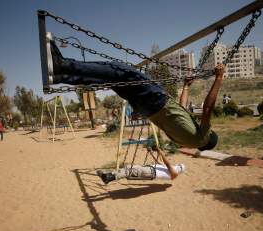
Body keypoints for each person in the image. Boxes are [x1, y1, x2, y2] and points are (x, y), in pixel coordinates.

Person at [45, 38, 224, 150]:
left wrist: (219, 78)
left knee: (121, 71)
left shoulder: (202, 137)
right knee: (112, 80)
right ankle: (61, 76)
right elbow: (181, 110)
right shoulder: (185, 141)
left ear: (208, 138)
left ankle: (64, 65)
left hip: (157, 100)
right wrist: (186, 87)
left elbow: (207, 109)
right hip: (147, 109)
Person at [97, 148, 185, 184]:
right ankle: (110, 175)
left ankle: (109, 177)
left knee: (129, 171)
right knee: (128, 168)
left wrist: (160, 151)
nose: (178, 166)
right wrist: (151, 153)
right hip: (149, 169)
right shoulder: (172, 170)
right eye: (179, 165)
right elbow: (158, 162)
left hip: (151, 172)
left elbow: (167, 164)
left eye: (179, 167)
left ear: (180, 170)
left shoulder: (175, 174)